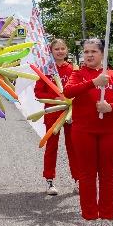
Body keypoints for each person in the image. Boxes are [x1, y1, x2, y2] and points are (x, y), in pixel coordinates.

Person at [63, 39, 113, 226]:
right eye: (86, 51)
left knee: (107, 176)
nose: (89, 55)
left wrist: (111, 107)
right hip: (83, 132)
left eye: (94, 51)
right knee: (87, 176)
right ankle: (89, 219)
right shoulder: (77, 74)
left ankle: (107, 219)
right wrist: (92, 83)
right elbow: (67, 92)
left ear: (102, 54)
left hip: (110, 132)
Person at [37, 39, 75, 197]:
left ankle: (78, 179)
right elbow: (38, 93)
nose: (60, 51)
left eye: (62, 48)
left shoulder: (73, 69)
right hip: (53, 113)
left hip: (71, 115)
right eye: (56, 49)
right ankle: (49, 180)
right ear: (51, 51)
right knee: (51, 148)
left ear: (67, 51)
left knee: (74, 147)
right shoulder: (46, 70)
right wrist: (56, 99)